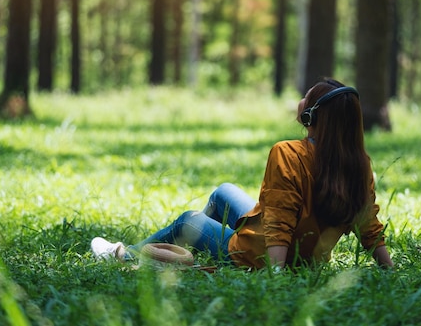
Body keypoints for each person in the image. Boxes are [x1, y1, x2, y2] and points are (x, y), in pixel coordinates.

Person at [92, 78, 394, 269]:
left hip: (258, 255)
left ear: (310, 116)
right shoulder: (360, 164)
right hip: (307, 259)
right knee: (223, 191)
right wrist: (389, 270)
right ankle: (199, 245)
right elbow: (368, 225)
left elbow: (279, 223)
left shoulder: (288, 153)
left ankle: (125, 255)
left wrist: (275, 276)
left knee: (188, 220)